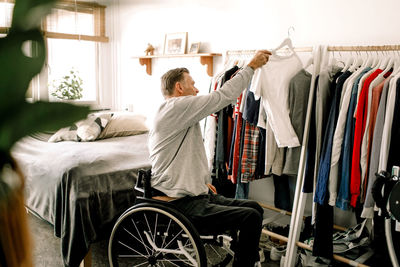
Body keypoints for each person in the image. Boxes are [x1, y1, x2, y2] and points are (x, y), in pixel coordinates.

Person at [148, 50, 271, 267]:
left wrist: (203, 181)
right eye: (192, 84)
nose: (196, 89)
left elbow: (189, 154)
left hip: (194, 194)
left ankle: (243, 256)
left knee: (255, 208)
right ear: (179, 87)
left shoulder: (177, 111)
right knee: (250, 217)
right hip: (179, 203)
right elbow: (223, 96)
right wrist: (250, 66)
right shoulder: (177, 106)